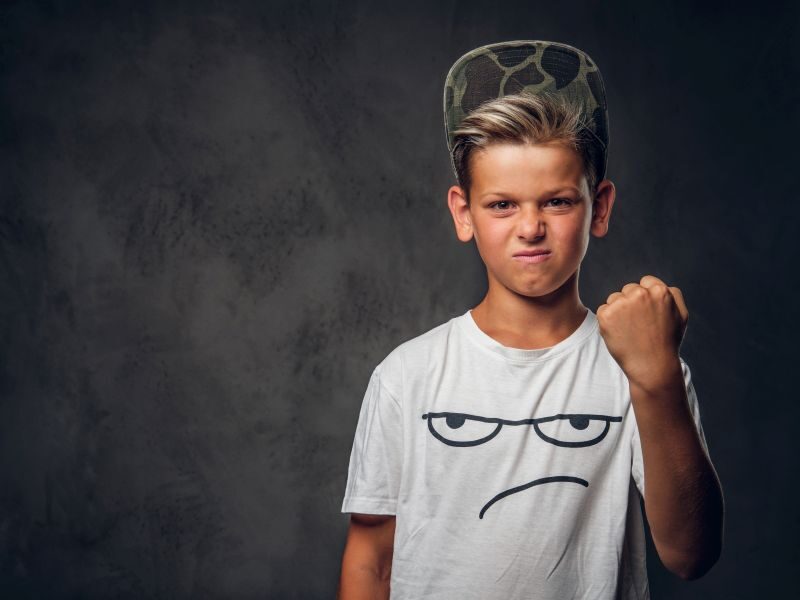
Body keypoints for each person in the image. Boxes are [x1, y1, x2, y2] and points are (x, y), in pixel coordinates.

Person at [336, 40, 724, 600]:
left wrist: (657, 378)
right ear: (463, 213)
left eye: (557, 201)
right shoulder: (407, 375)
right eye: (502, 204)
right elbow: (372, 557)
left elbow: (691, 555)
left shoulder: (644, 370)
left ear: (600, 207)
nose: (530, 228)